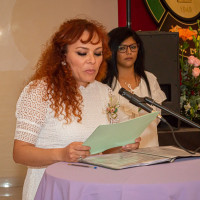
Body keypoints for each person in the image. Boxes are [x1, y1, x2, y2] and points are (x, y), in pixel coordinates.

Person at [13, 19, 140, 200]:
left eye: (97, 54)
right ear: (63, 56)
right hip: (51, 189)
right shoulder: (39, 91)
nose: (92, 61)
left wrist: (123, 146)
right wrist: (61, 154)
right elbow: (20, 152)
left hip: (92, 189)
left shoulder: (105, 93)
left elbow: (104, 150)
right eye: (82, 53)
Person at [102, 27, 166, 148]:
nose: (129, 52)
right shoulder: (104, 85)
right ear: (112, 51)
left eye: (133, 47)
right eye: (122, 48)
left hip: (150, 150)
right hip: (118, 154)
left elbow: (156, 119)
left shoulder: (150, 79)